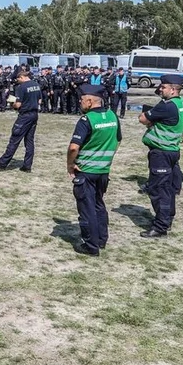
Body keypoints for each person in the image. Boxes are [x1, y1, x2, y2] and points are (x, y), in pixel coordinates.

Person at [67, 84, 121, 256]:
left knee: (87, 207)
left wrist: (70, 164)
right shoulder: (112, 116)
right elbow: (118, 140)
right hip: (103, 171)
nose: (80, 103)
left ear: (90, 101)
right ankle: (101, 239)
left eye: (82, 100)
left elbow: (74, 147)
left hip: (86, 170)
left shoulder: (87, 120)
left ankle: (90, 245)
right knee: (98, 204)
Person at [138, 74, 183, 238]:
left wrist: (151, 119)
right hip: (171, 151)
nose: (160, 89)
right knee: (168, 188)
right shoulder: (180, 102)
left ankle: (160, 226)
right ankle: (167, 218)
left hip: (161, 152)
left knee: (159, 190)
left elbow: (143, 118)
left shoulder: (166, 106)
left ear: (172, 89)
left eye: (163, 87)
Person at [0, 67, 39, 172]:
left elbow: (18, 104)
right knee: (29, 141)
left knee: (14, 139)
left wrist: (11, 103)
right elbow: (40, 101)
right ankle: (27, 165)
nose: (17, 81)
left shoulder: (22, 87)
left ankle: (2, 163)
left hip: (24, 116)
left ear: (22, 77)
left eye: (18, 79)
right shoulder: (36, 85)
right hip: (34, 114)